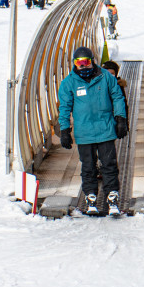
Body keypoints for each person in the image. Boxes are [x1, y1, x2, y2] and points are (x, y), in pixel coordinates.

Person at [57, 47, 127, 216]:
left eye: (86, 62)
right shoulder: (69, 83)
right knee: (88, 167)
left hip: (105, 129)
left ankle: (112, 197)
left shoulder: (105, 77)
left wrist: (121, 118)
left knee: (109, 165)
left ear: (92, 61)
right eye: (79, 63)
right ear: (74, 64)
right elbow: (64, 107)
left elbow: (117, 96)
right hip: (85, 132)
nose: (83, 67)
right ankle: (91, 197)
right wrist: (64, 129)